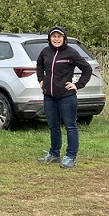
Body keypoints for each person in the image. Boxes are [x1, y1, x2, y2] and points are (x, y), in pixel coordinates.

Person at [36, 26, 93, 169]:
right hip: (49, 96)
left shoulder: (71, 53)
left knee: (70, 126)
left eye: (59, 37)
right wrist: (40, 79)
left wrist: (77, 85)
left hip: (67, 97)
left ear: (64, 38)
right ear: (50, 38)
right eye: (54, 36)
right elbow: (39, 64)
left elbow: (87, 69)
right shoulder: (45, 52)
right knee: (53, 126)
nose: (56, 39)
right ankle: (54, 154)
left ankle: (71, 157)